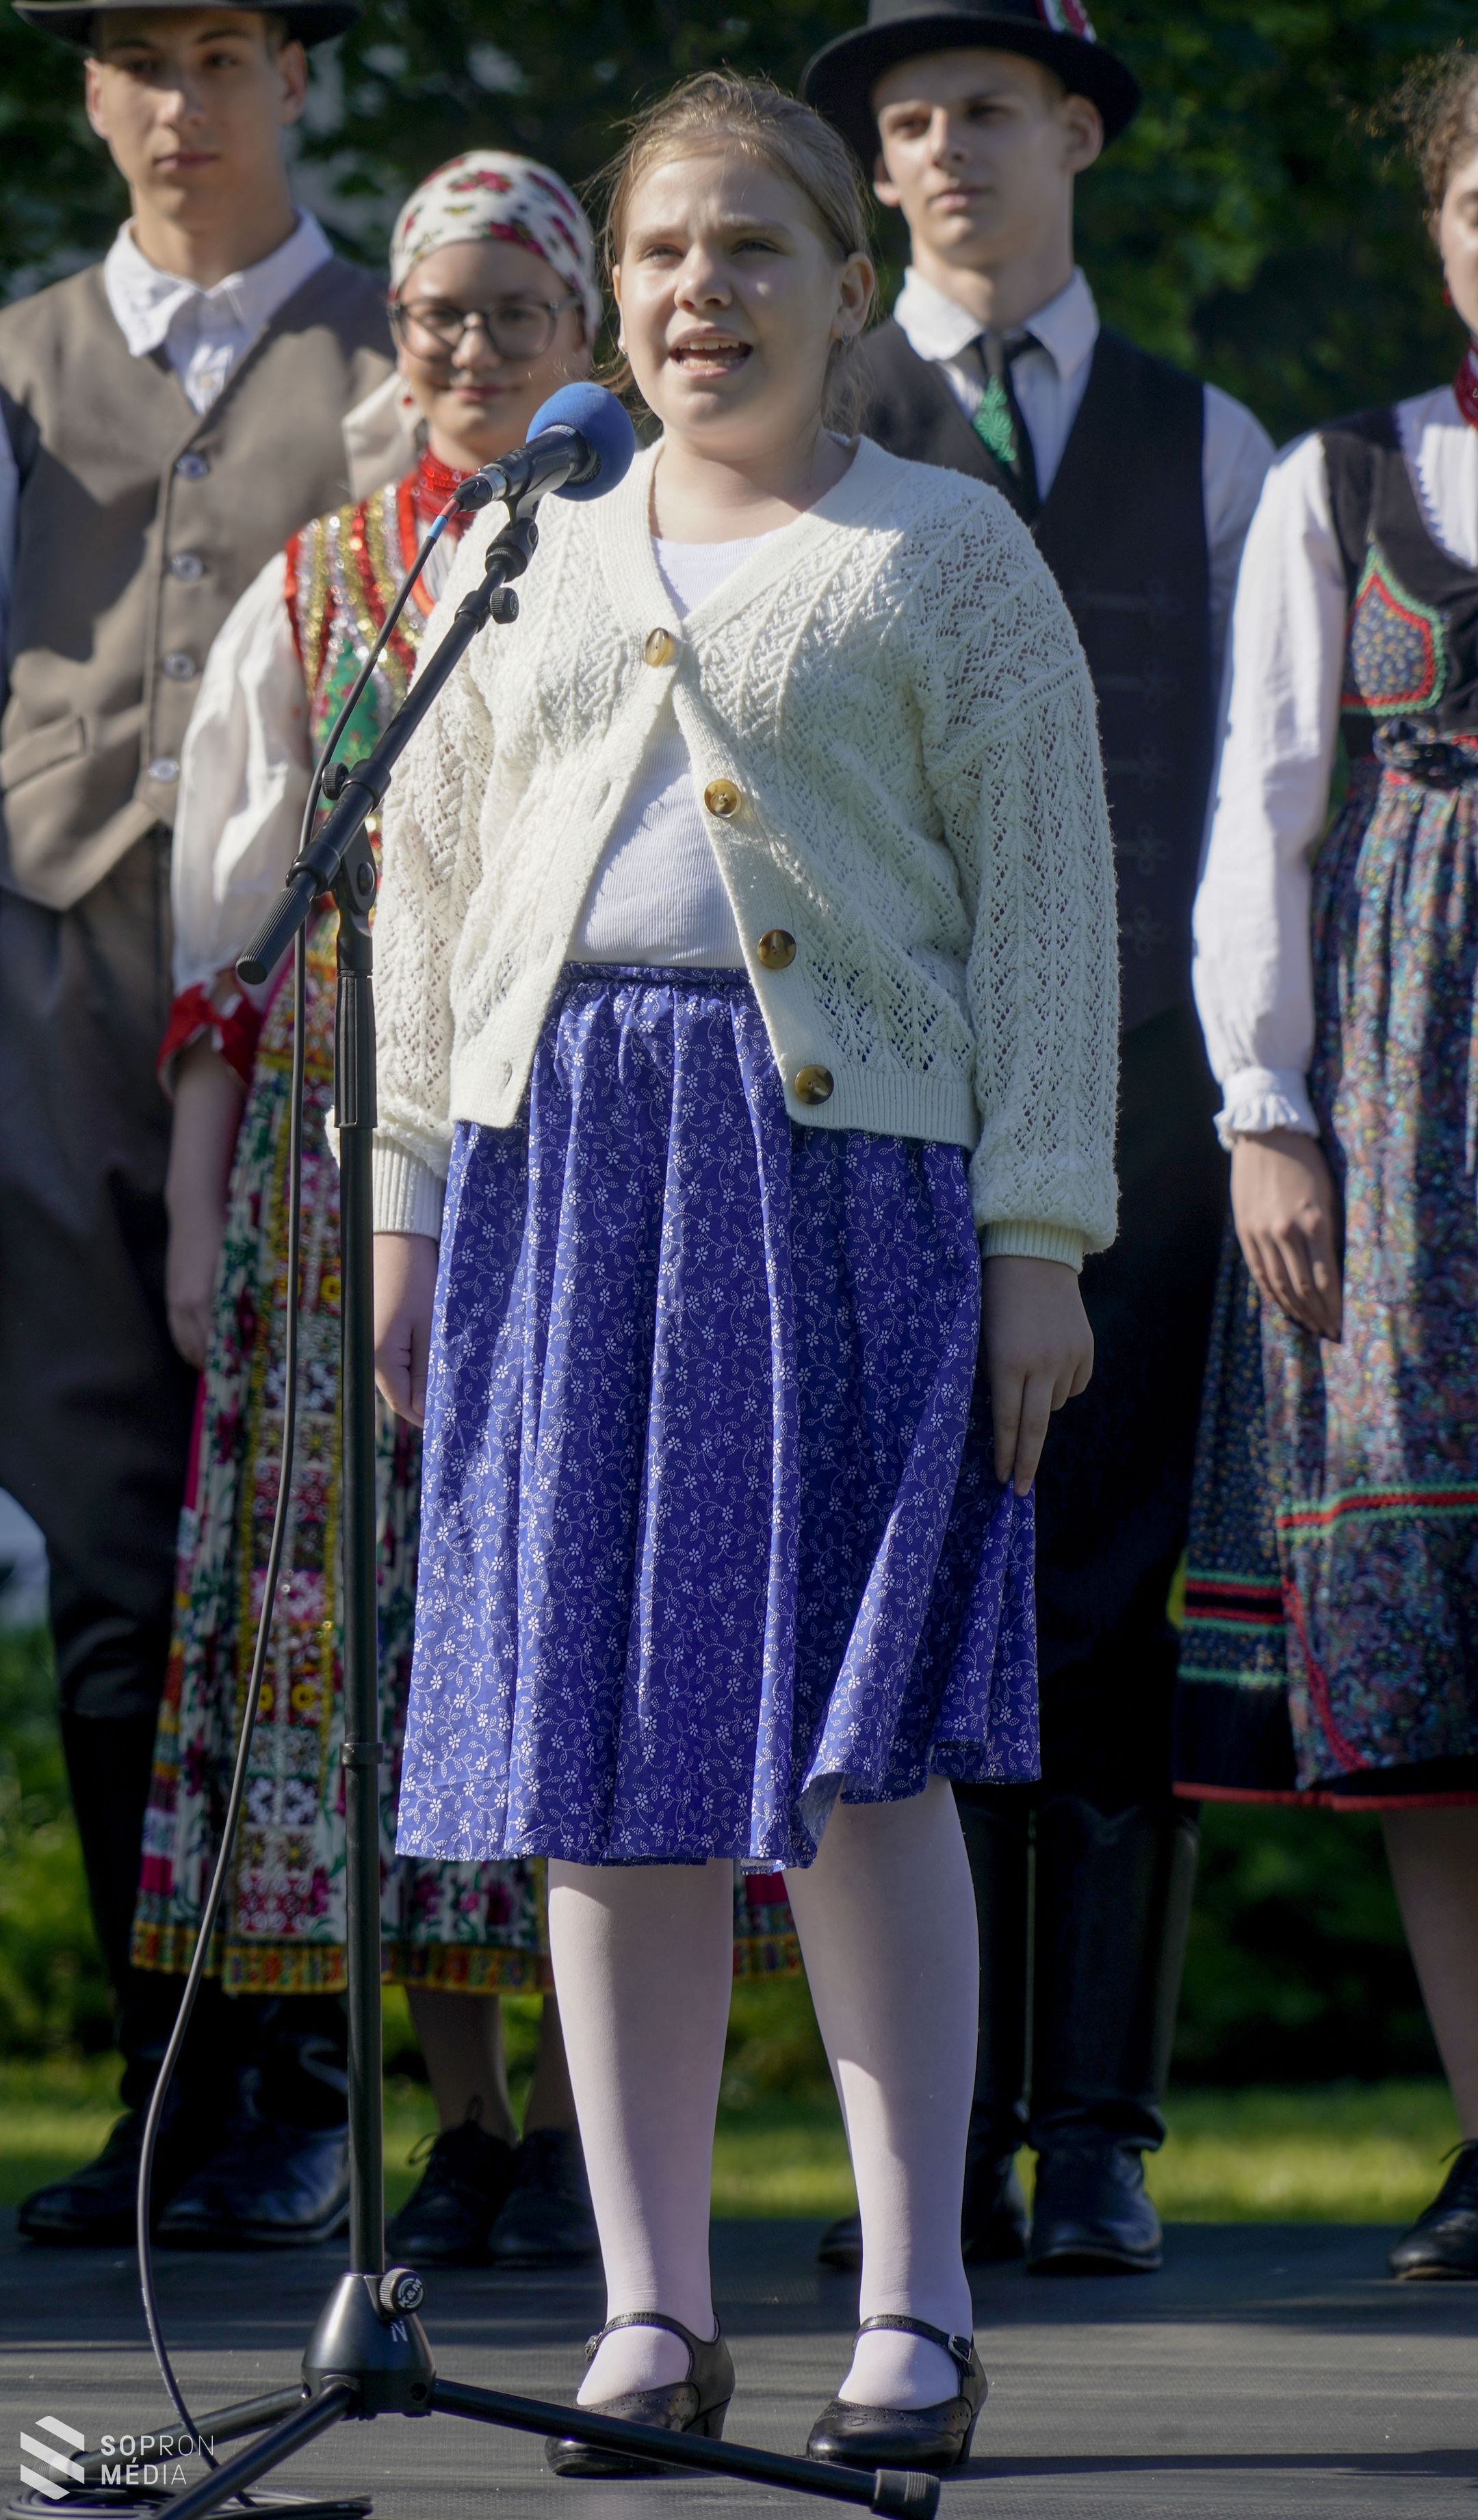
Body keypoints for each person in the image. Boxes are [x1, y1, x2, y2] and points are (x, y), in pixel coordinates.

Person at [372, 68, 1115, 2475]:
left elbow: (1049, 925)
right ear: (623, 286)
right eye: (668, 255)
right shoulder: (532, 542)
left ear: (836, 278)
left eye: (754, 252)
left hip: (850, 1193)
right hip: (567, 1174)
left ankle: (913, 2303)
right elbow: (433, 879)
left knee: (858, 1753)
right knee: (609, 1767)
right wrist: (404, 1195)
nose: (706, 297)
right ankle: (651, 2306)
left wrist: (1042, 1238)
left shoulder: (945, 548)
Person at [803, 0, 1273, 2274]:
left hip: (1149, 1101)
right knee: (894, 1603)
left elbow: (1272, 807)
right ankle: (935, 2140)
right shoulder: (811, 422)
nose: (945, 152)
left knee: (1104, 1596)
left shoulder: (1214, 443)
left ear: (1076, 131)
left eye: (987, 109)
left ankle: (1091, 2123)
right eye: (905, 125)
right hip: (872, 1101)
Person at [124, 152, 608, 2263]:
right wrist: (196, 1201)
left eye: (518, 313)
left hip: (586, 1145)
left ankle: (606, 2114)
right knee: (375, 1644)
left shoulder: (652, 559)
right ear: (395, 343)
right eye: (441, 318)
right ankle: (472, 2121)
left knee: (571, 1615)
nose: (477, 351)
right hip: (344, 1177)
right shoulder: (323, 588)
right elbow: (229, 926)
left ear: (581, 335)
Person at [0, 0, 397, 2249]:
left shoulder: (405, 335)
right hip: (50, 990)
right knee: (110, 1549)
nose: (182, 100)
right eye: (137, 57)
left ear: (299, 80)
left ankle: (315, 2084)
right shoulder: (20, 356)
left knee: (315, 1530)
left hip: (323, 998)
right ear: (84, 92)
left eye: (227, 51)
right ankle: (164, 2089)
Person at [1174, 50, 1478, 2283]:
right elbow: (1266, 809)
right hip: (1405, 1110)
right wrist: (1263, 1111)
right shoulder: (1343, 477)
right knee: (1431, 1638)